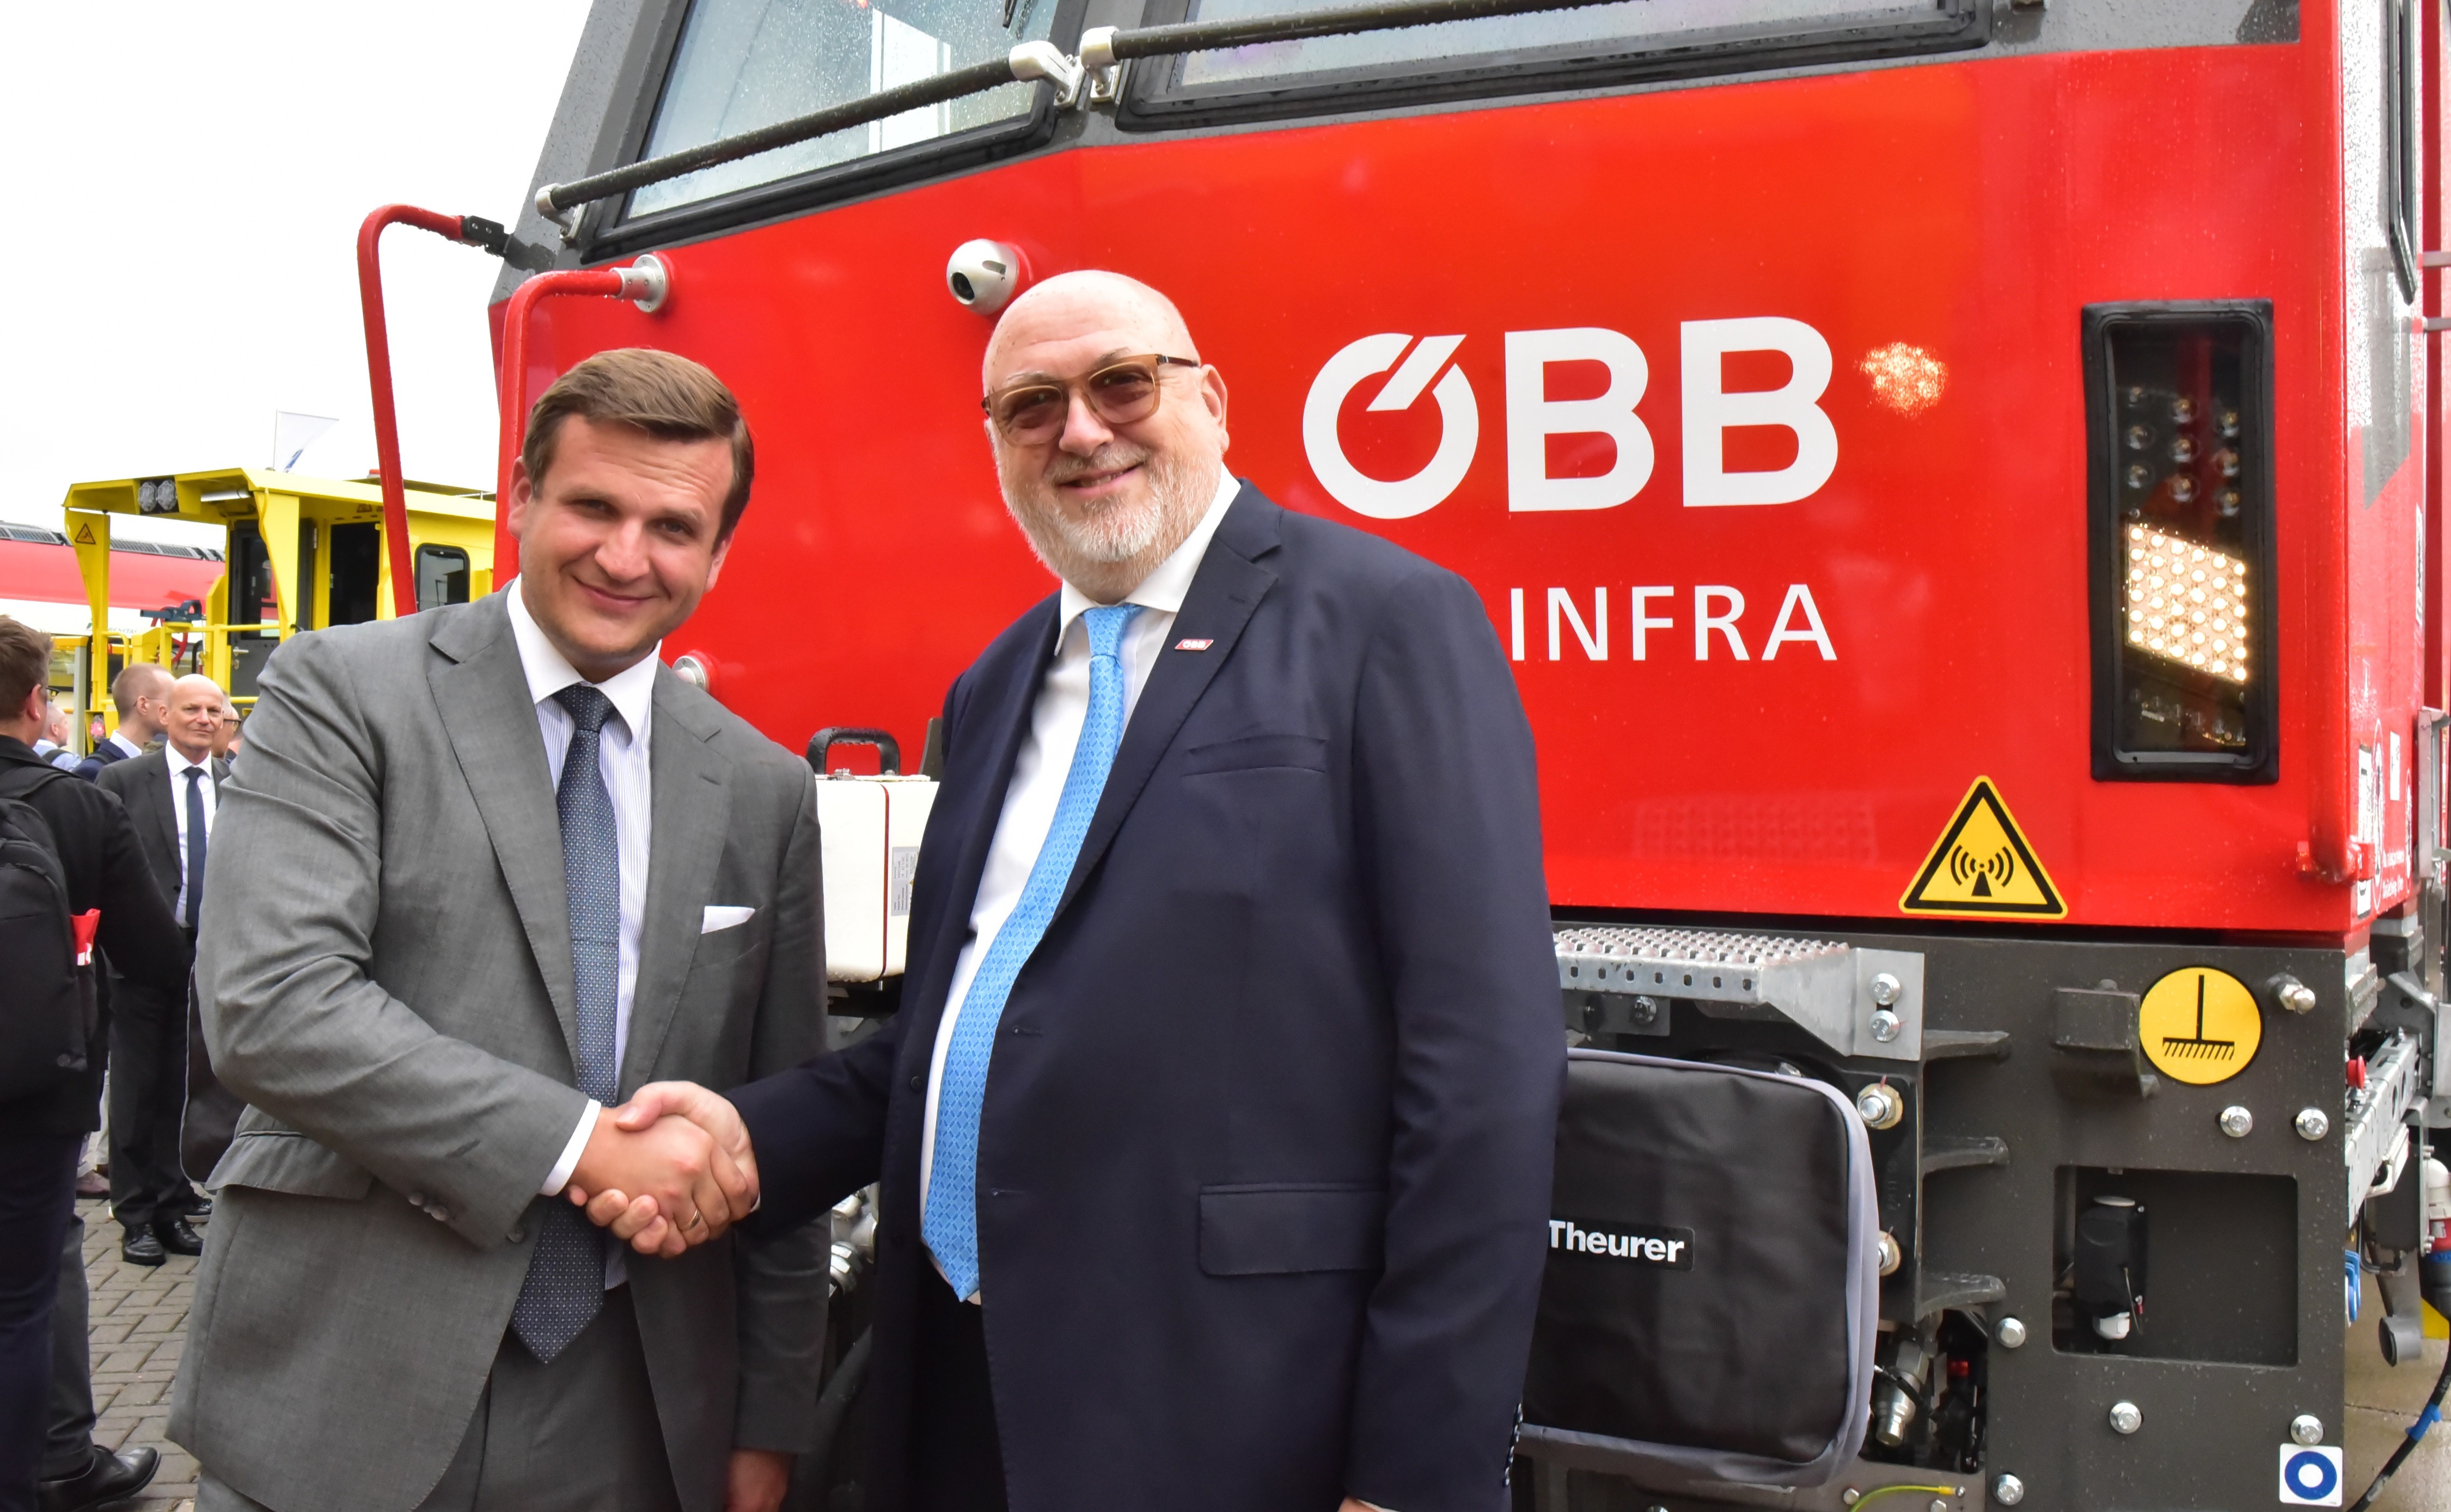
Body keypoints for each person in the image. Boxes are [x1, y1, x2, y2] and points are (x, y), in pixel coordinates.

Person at [602, 272, 1563, 1512]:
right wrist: (749, 1138)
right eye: (1032, 406)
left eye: (1122, 383)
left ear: (1211, 398)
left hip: (1236, 1405)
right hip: (962, 1381)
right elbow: (961, 1031)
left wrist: (1415, 1477)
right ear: (996, 444)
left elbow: (1484, 1070)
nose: (1082, 429)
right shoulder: (994, 684)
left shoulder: (1388, 621)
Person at [173, 348, 826, 1512]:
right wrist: (584, 1145)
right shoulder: (341, 691)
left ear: (719, 553)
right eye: (594, 506)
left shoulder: (765, 788)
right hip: (344, 1375)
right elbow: (273, 1008)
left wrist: (769, 1416)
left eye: (674, 528)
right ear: (520, 497)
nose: (625, 556)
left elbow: (780, 1119)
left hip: (635, 1406)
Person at [0, 616, 185, 1512]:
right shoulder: (77, 805)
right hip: (37, 1097)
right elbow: (154, 954)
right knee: (21, 1298)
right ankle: (53, 1464)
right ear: (38, 702)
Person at [94, 675, 228, 1264]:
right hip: (142, 956)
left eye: (214, 710)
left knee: (185, 1083)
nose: (204, 718)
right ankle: (135, 1212)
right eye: (191, 708)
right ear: (165, 715)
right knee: (135, 1086)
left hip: (208, 957)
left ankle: (173, 1203)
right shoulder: (124, 780)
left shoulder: (235, 782)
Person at [72, 665, 169, 780]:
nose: (177, 708)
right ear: (144, 705)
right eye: (171, 700)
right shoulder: (93, 771)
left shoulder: (160, 764)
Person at [29, 703, 78, 773]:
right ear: (55, 729)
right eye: (65, 724)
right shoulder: (69, 761)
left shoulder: (20, 754)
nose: (68, 729)